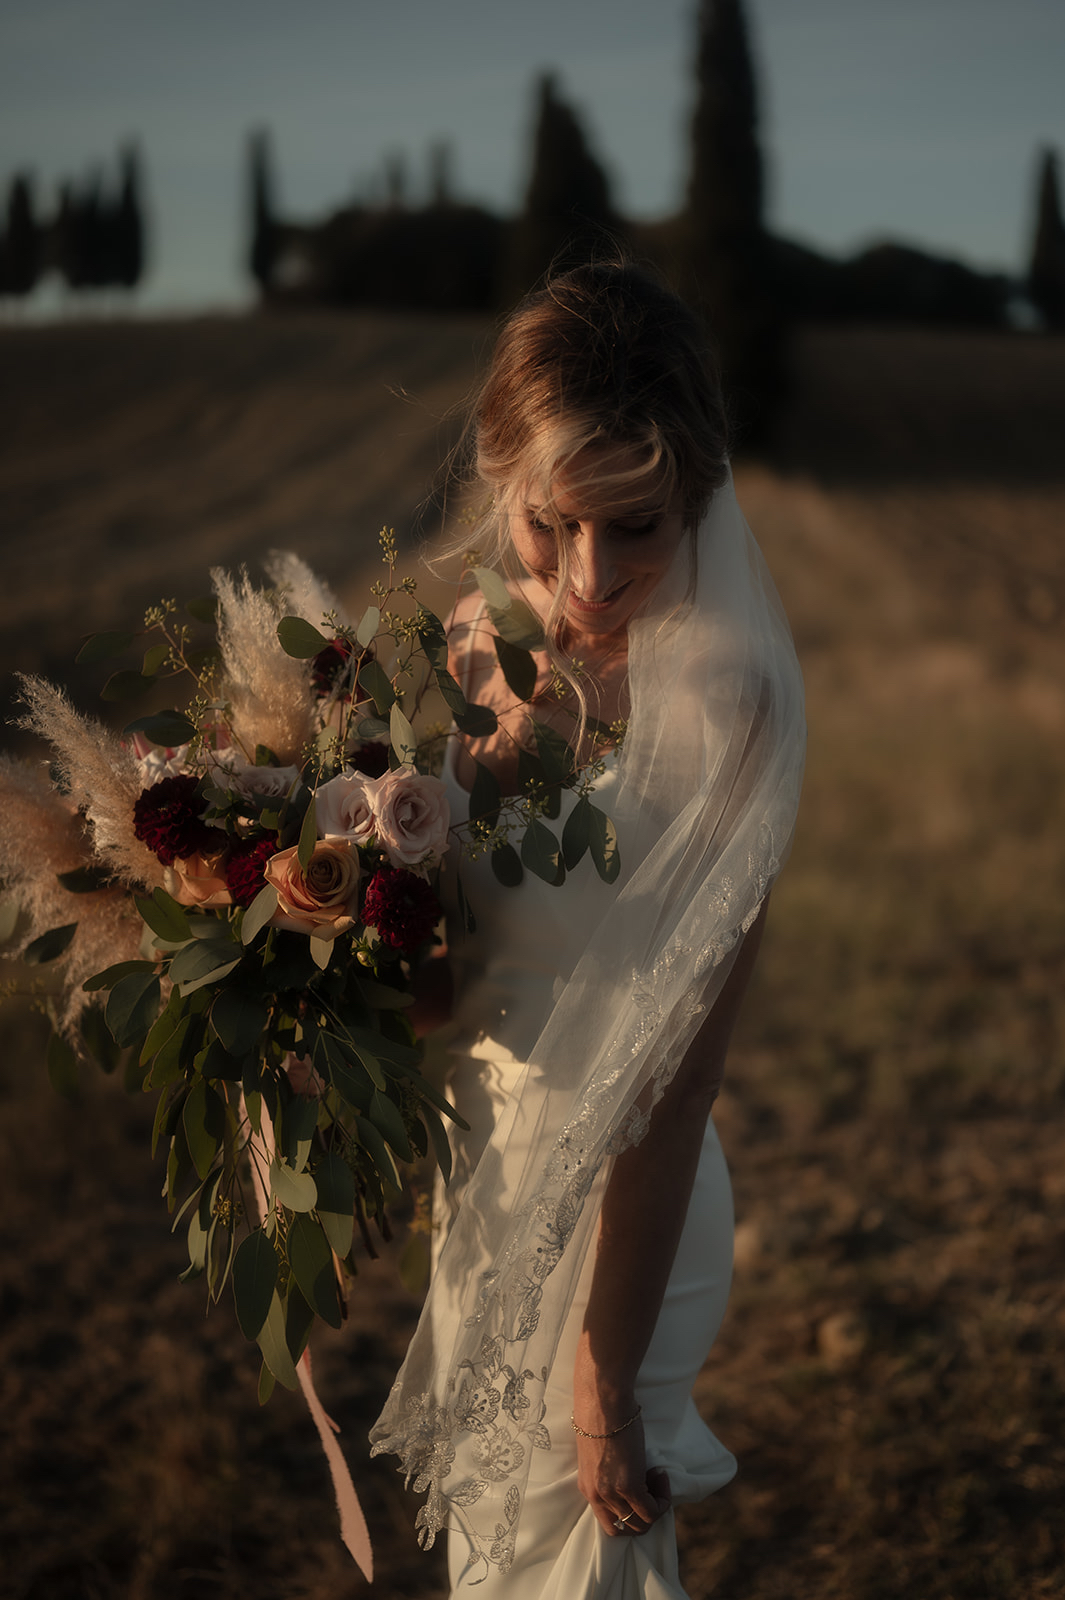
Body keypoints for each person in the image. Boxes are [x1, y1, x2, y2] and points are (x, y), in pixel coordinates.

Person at [371, 260, 806, 1598]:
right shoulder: (476, 643)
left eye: (638, 531)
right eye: (551, 524)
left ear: (698, 506)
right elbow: (448, 993)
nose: (587, 577)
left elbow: (673, 1099)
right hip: (485, 1177)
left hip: (636, 1218)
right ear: (499, 479)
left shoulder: (725, 707)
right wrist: (326, 923)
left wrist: (603, 1382)